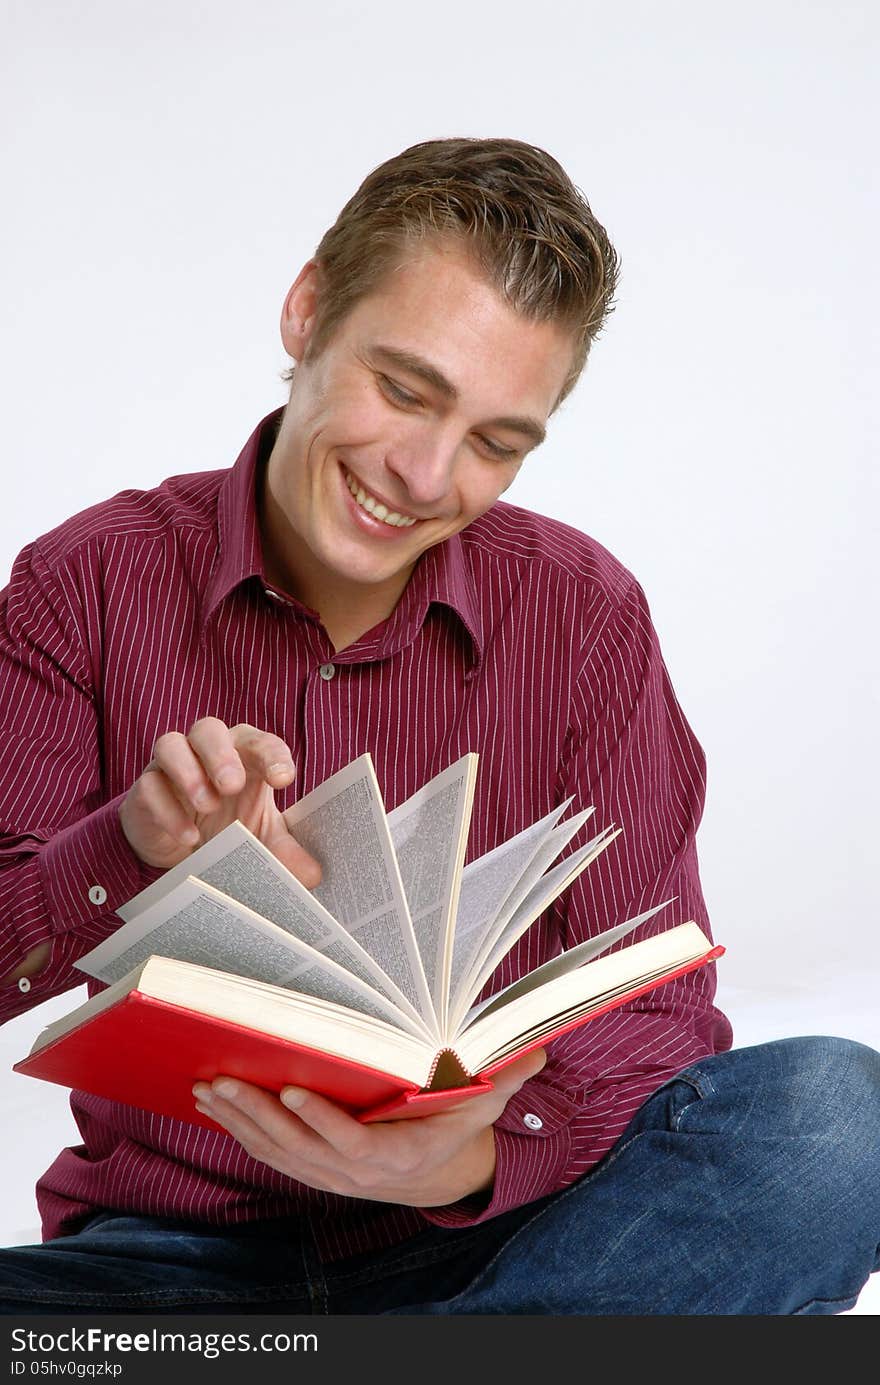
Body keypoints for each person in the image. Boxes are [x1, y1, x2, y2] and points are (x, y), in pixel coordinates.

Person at [0, 137, 877, 1317]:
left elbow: (657, 1009)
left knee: (838, 1118)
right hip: (168, 1262)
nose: (421, 473)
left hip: (509, 1242)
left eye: (493, 442)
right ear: (307, 311)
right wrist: (129, 846)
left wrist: (465, 1158)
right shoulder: (86, 582)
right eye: (405, 390)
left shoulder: (582, 614)